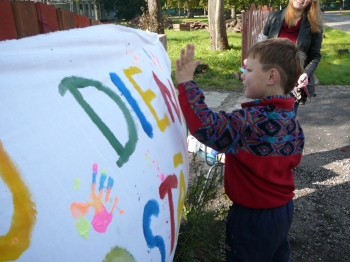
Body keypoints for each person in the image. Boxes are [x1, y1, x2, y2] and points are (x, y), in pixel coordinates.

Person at [176, 38, 306, 261]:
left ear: (271, 76)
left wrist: (187, 84)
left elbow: (206, 126)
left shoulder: (247, 121)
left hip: (251, 217)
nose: (242, 75)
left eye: (249, 69)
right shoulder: (292, 122)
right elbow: (283, 159)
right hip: (283, 211)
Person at [258, 0, 323, 115]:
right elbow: (261, 44)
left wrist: (306, 74)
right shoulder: (273, 17)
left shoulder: (314, 25)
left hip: (292, 83)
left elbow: (315, 55)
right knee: (265, 121)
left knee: (285, 123)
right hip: (269, 79)